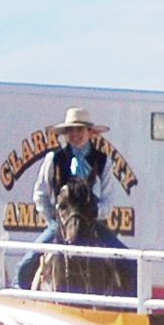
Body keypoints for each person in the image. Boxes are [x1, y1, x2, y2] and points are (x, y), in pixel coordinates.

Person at [16, 108, 124, 289]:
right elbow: (40, 194)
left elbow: (108, 198)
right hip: (61, 223)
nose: (75, 134)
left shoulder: (102, 160)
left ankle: (132, 309)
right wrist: (54, 218)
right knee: (26, 265)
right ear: (65, 134)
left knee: (130, 262)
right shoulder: (54, 159)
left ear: (90, 132)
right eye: (71, 130)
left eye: (80, 129)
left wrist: (94, 213)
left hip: (93, 223)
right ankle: (17, 297)